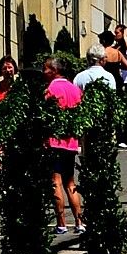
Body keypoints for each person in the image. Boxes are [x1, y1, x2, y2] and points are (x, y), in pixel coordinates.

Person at [43, 56, 84, 237]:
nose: (43, 72)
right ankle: (79, 221)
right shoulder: (75, 90)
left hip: (54, 141)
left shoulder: (51, 89)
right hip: (71, 142)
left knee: (56, 181)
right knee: (70, 182)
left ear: (54, 70)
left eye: (46, 68)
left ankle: (61, 222)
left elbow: (45, 115)